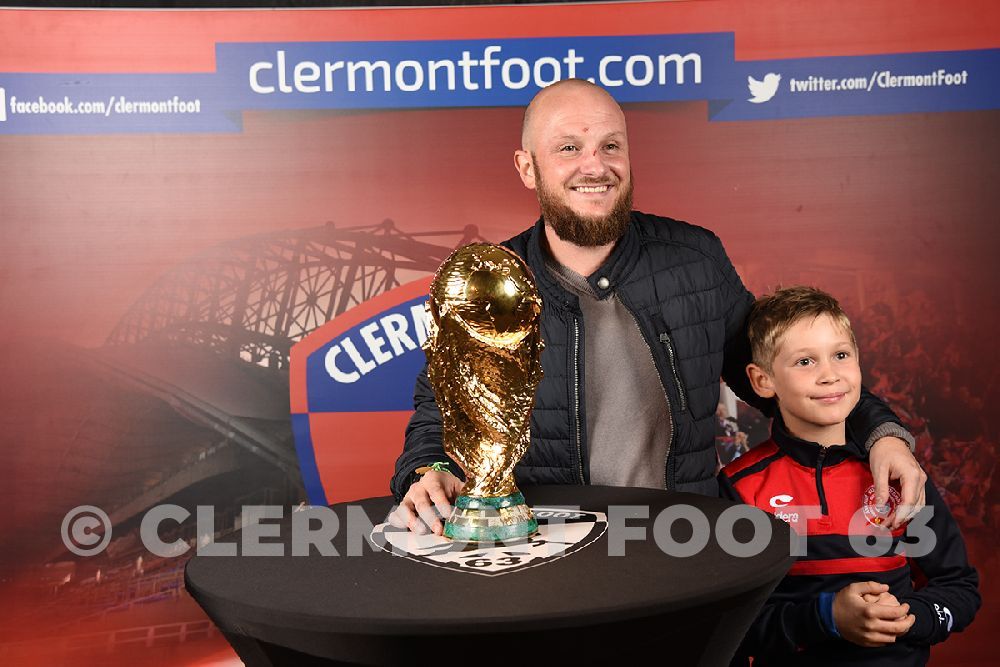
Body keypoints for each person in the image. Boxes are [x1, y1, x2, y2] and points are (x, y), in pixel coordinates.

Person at [389, 79, 926, 536]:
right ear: (527, 167)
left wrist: (882, 434)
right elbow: (442, 409)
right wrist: (426, 470)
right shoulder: (489, 280)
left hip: (678, 542)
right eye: (569, 148)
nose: (595, 166)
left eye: (611, 145)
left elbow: (783, 369)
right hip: (541, 544)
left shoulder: (694, 258)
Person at [719, 286, 980, 666]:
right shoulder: (741, 486)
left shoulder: (899, 475)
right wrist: (826, 618)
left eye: (840, 355)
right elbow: (734, 627)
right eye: (805, 362)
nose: (830, 375)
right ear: (762, 381)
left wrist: (909, 617)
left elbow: (959, 588)